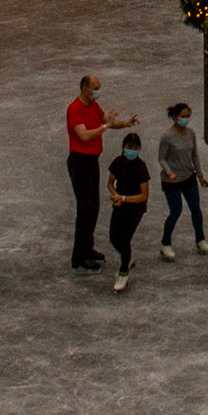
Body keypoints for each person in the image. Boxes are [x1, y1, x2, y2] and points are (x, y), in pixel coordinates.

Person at [66, 75, 136, 272]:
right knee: (85, 209)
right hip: (80, 162)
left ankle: (87, 249)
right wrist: (104, 127)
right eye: (95, 88)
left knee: (93, 207)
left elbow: (107, 122)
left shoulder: (93, 105)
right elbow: (84, 135)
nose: (98, 91)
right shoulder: (75, 109)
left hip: (91, 162)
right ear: (84, 88)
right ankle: (78, 256)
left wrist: (125, 124)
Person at [157, 102, 208, 259]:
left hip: (188, 177)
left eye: (188, 116)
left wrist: (200, 175)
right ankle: (165, 243)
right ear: (174, 117)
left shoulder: (191, 133)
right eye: (183, 116)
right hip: (171, 181)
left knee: (196, 209)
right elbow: (161, 158)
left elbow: (195, 155)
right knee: (176, 211)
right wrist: (169, 172)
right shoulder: (167, 137)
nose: (186, 119)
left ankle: (200, 239)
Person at [106, 132, 150, 292]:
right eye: (129, 147)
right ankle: (128, 257)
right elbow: (110, 183)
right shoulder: (118, 162)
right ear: (124, 147)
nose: (132, 150)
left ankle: (124, 270)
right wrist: (115, 195)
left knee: (124, 239)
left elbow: (144, 196)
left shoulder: (140, 167)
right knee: (113, 238)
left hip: (135, 209)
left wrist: (123, 198)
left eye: (135, 148)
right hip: (119, 205)